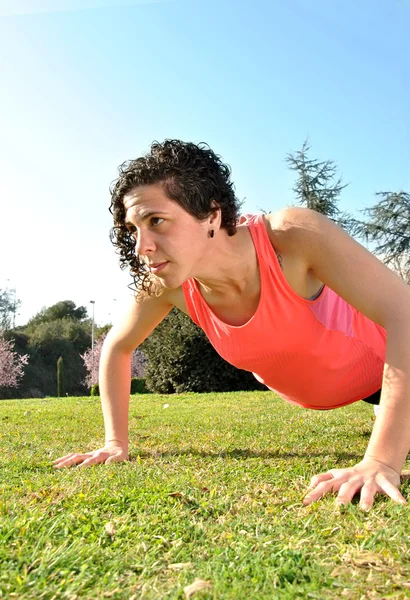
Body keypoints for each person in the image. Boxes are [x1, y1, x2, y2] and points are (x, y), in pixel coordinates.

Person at [54, 140, 410, 511]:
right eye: (134, 229)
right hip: (369, 390)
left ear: (210, 213)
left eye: (156, 221)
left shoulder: (289, 238)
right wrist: (116, 442)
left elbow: (404, 313)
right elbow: (117, 347)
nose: (142, 245)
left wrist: (382, 460)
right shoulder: (167, 285)